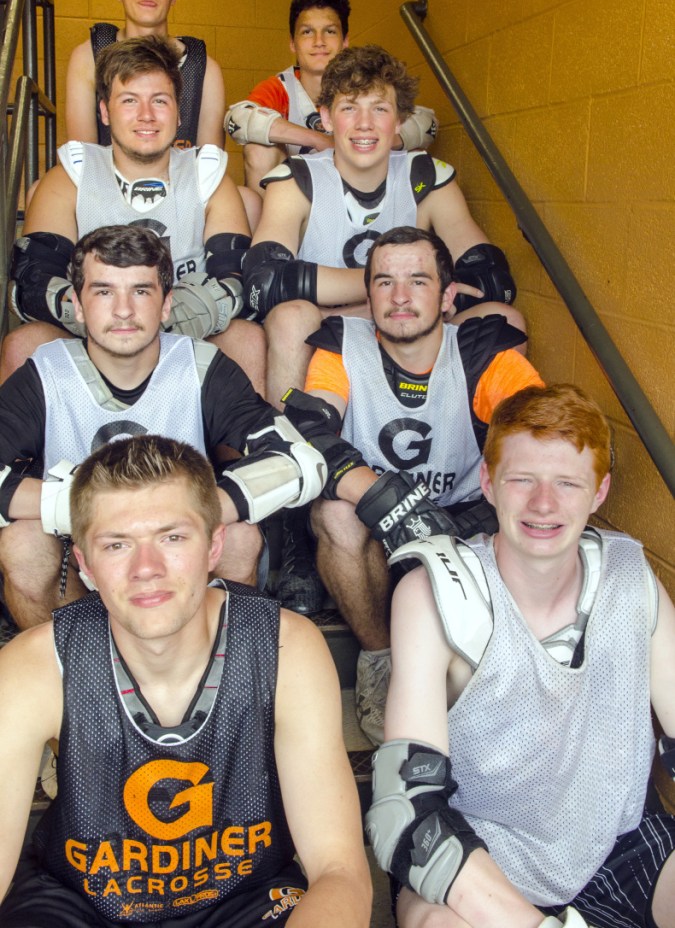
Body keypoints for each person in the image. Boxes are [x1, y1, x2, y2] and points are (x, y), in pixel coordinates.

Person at [0, 434, 372, 927]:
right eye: (117, 545)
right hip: (78, 902)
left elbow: (339, 869)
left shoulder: (285, 647)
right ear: (85, 565)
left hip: (244, 899)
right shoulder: (38, 664)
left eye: (172, 538)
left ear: (214, 545)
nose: (146, 570)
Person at [366, 383, 675, 928]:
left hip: (618, 843)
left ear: (599, 492)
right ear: (488, 483)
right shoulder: (437, 595)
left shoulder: (631, 578)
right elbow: (404, 810)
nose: (543, 505)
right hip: (487, 862)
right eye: (522, 480)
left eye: (567, 483)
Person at [0, 224, 342, 629]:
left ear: (166, 305)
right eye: (104, 291)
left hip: (181, 551)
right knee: (22, 545)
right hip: (83, 551)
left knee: (239, 538)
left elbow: (300, 461)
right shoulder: (47, 371)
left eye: (141, 291)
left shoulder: (201, 367)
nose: (123, 310)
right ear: (77, 304)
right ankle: (73, 678)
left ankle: (211, 678)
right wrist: (97, 510)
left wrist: (180, 512)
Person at [298, 227, 542, 742]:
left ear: (448, 297)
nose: (400, 297)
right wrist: (387, 497)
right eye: (384, 282)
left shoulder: (482, 352)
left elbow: (541, 435)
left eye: (418, 281)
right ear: (369, 295)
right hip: (375, 526)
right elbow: (310, 434)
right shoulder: (342, 345)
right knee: (333, 513)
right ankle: (380, 660)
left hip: (462, 520)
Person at [243, 43, 519, 407]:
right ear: (325, 117)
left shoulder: (425, 178)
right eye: (349, 108)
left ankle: (484, 455)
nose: (364, 124)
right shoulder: (297, 179)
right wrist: (391, 288)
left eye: (379, 108)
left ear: (400, 120)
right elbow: (263, 282)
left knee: (504, 318)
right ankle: (291, 451)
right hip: (328, 329)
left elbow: (493, 280)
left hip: (409, 327)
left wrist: (398, 302)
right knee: (290, 316)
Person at [2, 36, 265, 392]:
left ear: (178, 111)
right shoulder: (74, 172)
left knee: (245, 338)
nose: (146, 115)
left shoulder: (206, 172)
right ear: (105, 112)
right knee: (23, 344)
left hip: (185, 331)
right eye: (129, 101)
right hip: (90, 337)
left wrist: (157, 322)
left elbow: (234, 281)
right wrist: (110, 323)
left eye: (160, 100)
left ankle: (256, 450)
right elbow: (32, 281)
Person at [225, 0, 437, 197]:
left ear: (345, 41)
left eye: (330, 31)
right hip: (294, 198)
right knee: (259, 150)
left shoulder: (364, 82)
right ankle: (269, 229)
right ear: (292, 43)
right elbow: (238, 119)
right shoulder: (281, 88)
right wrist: (318, 140)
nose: (319, 42)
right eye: (307, 32)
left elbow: (427, 124)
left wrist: (377, 139)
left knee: (413, 155)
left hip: (355, 192)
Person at [66, 0, 225, 150]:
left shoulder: (203, 67)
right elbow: (81, 158)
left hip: (182, 183)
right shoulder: (89, 56)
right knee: (40, 186)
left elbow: (210, 166)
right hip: (103, 183)